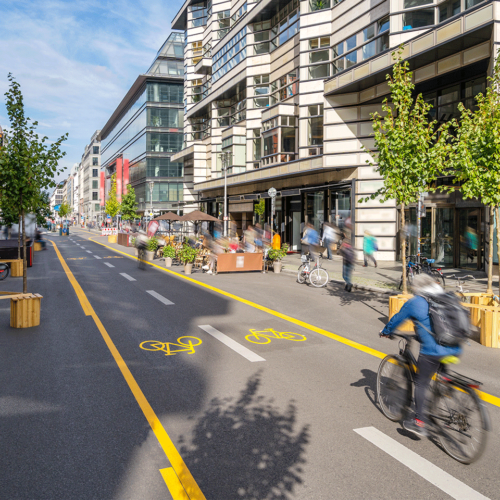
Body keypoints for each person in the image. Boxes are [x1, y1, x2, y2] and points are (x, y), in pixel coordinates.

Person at [379, 274, 462, 437]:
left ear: (417, 287)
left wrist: (386, 331)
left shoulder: (416, 302)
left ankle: (419, 422)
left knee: (421, 383)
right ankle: (448, 399)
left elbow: (397, 319)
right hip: (454, 346)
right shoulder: (443, 297)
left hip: (434, 351)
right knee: (441, 376)